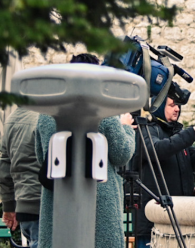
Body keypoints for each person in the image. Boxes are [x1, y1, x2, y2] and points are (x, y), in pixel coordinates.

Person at [36, 54, 135, 248]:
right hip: (97, 201)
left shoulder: (46, 113)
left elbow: (41, 156)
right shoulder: (103, 110)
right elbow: (121, 153)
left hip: (57, 197)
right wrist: (126, 128)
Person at [132, 94, 195, 248]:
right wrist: (190, 134)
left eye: (178, 105)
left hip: (180, 219)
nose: (177, 109)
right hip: (151, 224)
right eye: (172, 105)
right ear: (159, 106)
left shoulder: (177, 134)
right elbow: (157, 150)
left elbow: (193, 164)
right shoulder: (146, 130)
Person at [0, 105, 43, 247]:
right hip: (44, 204)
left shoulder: (11, 120)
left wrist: (8, 206)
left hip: (24, 207)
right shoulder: (45, 118)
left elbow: (4, 167)